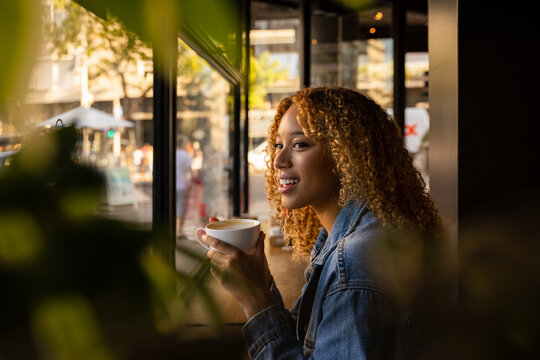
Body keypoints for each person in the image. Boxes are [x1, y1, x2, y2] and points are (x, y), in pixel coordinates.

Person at [200, 87, 444, 359]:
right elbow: (309, 343)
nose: (278, 161)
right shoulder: (348, 236)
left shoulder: (353, 260)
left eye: (300, 144)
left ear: (347, 155)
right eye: (278, 145)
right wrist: (261, 283)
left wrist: (254, 300)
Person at [176, 134, 192, 239]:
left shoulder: (171, 153)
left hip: (172, 185)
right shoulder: (186, 155)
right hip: (182, 185)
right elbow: (189, 171)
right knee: (181, 209)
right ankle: (179, 231)